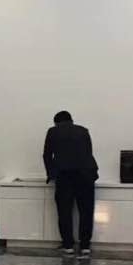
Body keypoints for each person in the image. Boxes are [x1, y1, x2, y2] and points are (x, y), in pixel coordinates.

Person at [43, 110, 98, 256]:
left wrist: (51, 174)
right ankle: (85, 246)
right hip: (86, 176)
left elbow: (47, 155)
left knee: (64, 211)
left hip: (65, 176)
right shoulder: (83, 131)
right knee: (86, 211)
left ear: (56, 123)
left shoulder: (53, 131)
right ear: (71, 120)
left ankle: (68, 245)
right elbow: (88, 153)